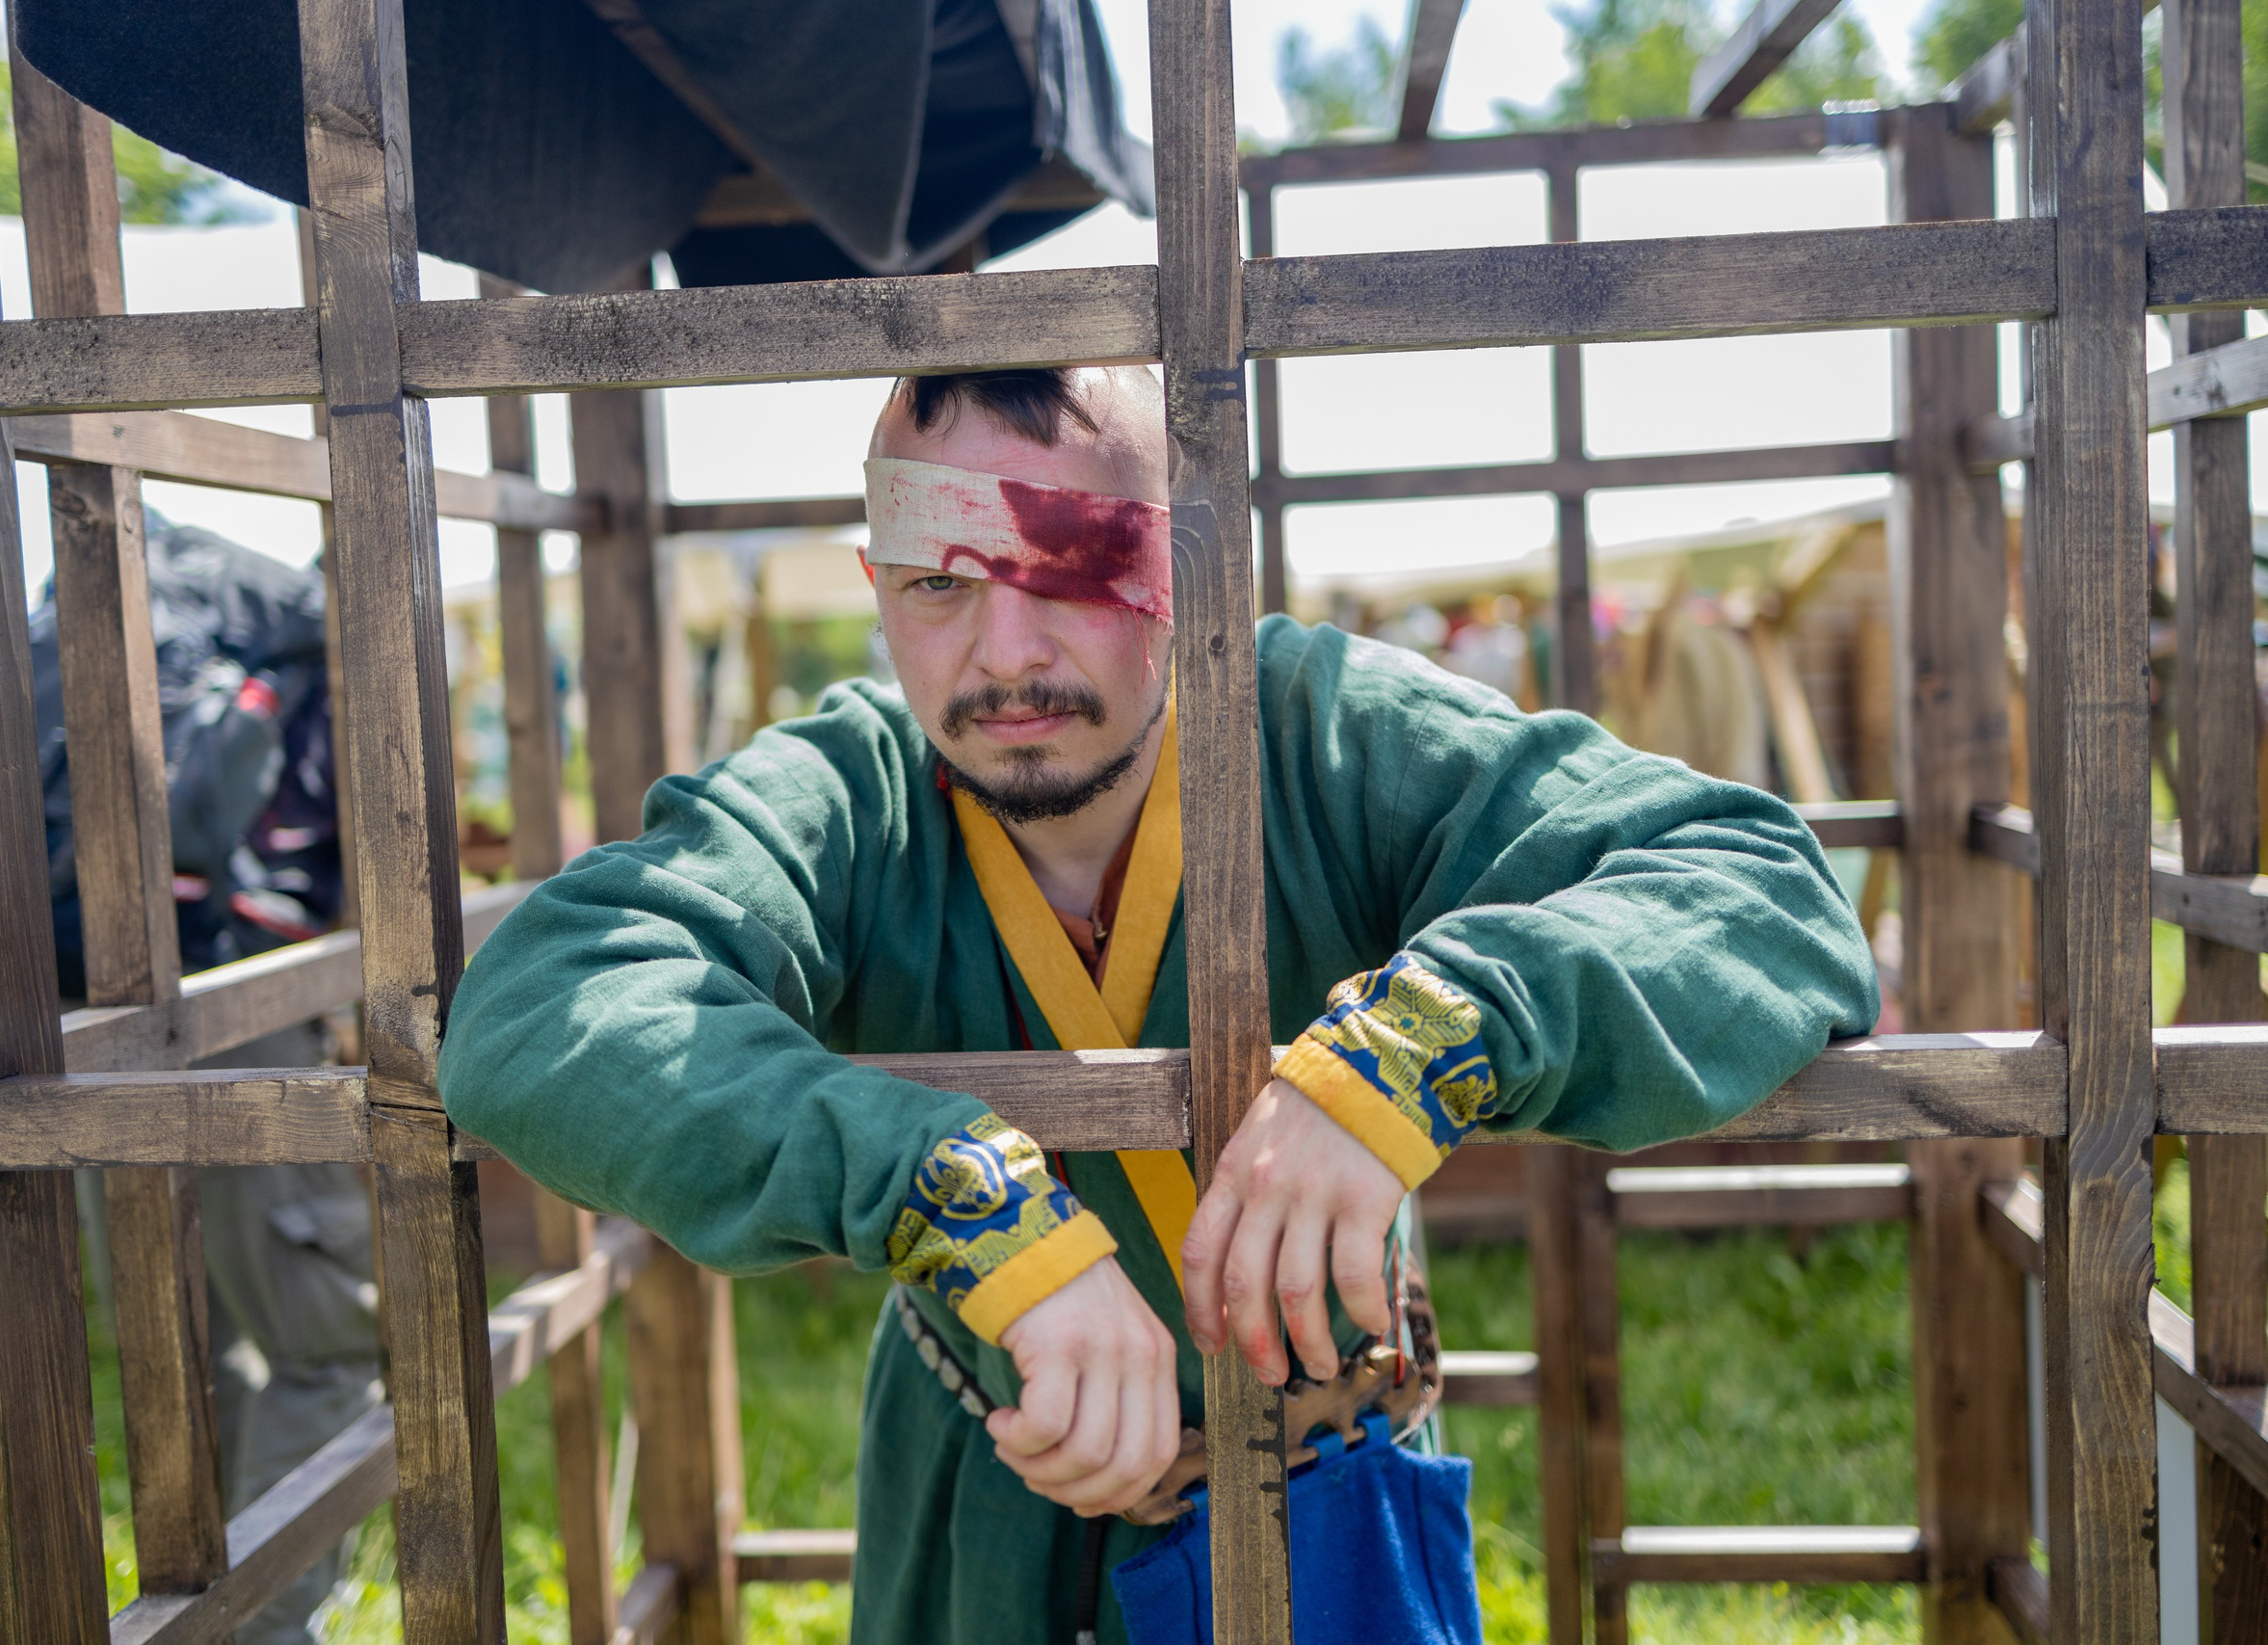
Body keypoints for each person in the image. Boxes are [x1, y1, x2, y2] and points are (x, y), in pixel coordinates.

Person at [438, 366, 1877, 1643]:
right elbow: (544, 1002)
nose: (1001, 652)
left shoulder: (1318, 728)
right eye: (937, 582)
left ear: (1183, 563)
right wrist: (952, 1193)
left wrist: (1417, 1046)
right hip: (980, 1473)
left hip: (1324, 1461)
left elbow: (1758, 887)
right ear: (878, 586)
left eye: (1064, 564)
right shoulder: (852, 789)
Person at [32, 517, 375, 1645]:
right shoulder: (322, 648)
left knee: (191, 1337)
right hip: (242, 1007)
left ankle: (204, 1612)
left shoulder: (109, 630)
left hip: (86, 1013)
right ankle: (263, 1630)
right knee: (330, 1346)